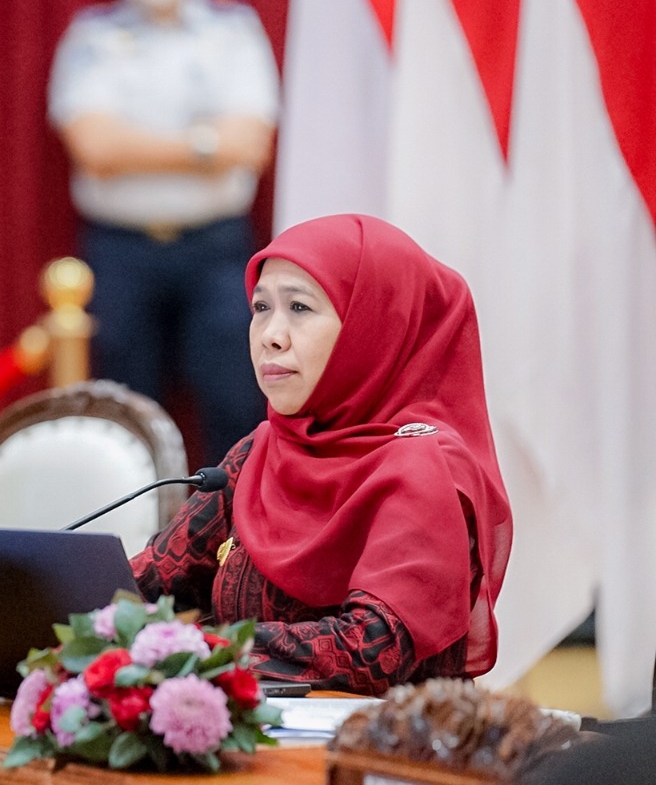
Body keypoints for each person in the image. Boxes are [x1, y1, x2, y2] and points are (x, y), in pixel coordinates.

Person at [131, 214, 514, 695]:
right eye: (260, 307)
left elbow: (370, 650)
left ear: (373, 324)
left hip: (380, 758)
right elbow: (149, 584)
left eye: (299, 307)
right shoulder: (261, 451)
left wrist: (195, 649)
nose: (270, 334)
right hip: (256, 745)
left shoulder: (424, 466)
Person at [48, 0, 279, 465]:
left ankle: (239, 538)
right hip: (120, 250)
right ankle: (136, 542)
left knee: (234, 400)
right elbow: (94, 146)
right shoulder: (91, 35)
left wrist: (137, 144)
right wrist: (205, 144)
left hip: (217, 249)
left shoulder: (234, 30)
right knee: (123, 413)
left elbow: (249, 143)